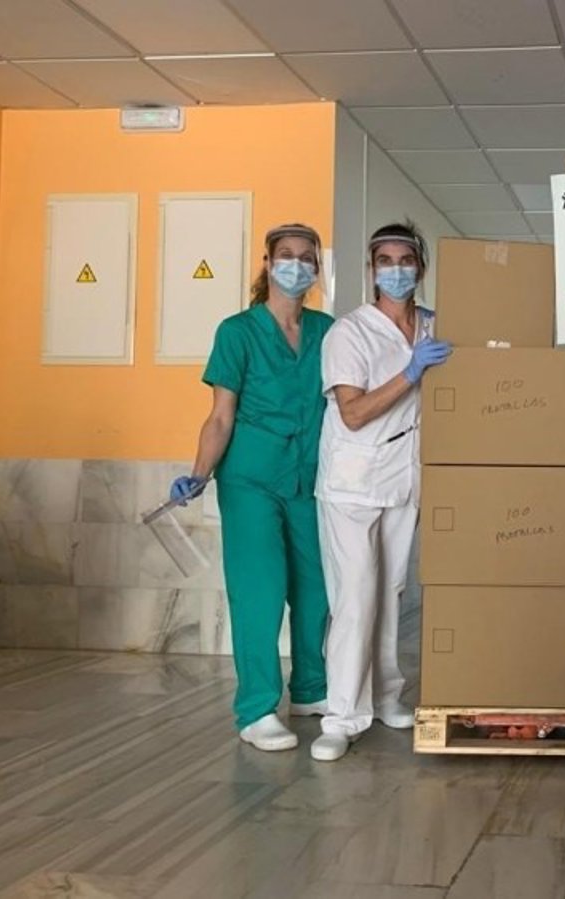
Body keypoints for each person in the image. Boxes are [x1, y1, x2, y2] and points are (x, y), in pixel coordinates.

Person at [172, 224, 333, 751]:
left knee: (316, 588)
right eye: (286, 255)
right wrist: (199, 472)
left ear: (317, 268)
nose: (296, 265)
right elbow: (221, 416)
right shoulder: (237, 332)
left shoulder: (327, 330)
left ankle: (311, 689)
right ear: (267, 263)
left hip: (310, 477)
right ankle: (257, 709)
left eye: (306, 257)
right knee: (261, 590)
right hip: (250, 479)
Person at [310, 221, 452, 762]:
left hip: (404, 479)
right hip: (352, 482)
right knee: (355, 597)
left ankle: (387, 695)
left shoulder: (434, 326)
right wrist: (411, 372)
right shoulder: (349, 333)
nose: (396, 270)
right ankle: (342, 716)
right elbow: (352, 412)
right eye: (385, 261)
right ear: (371, 270)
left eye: (406, 260)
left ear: (421, 267)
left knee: (392, 592)